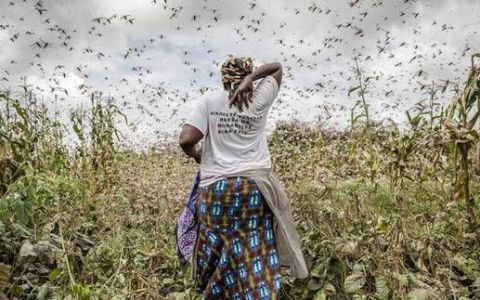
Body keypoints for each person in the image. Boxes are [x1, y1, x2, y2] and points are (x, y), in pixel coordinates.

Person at [179, 55, 308, 299]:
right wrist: (252, 79)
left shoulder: (208, 101)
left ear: (224, 78)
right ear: (246, 75)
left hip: (216, 192)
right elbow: (277, 67)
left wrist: (198, 155)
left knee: (218, 248)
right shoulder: (259, 97)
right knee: (254, 247)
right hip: (253, 190)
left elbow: (186, 140)